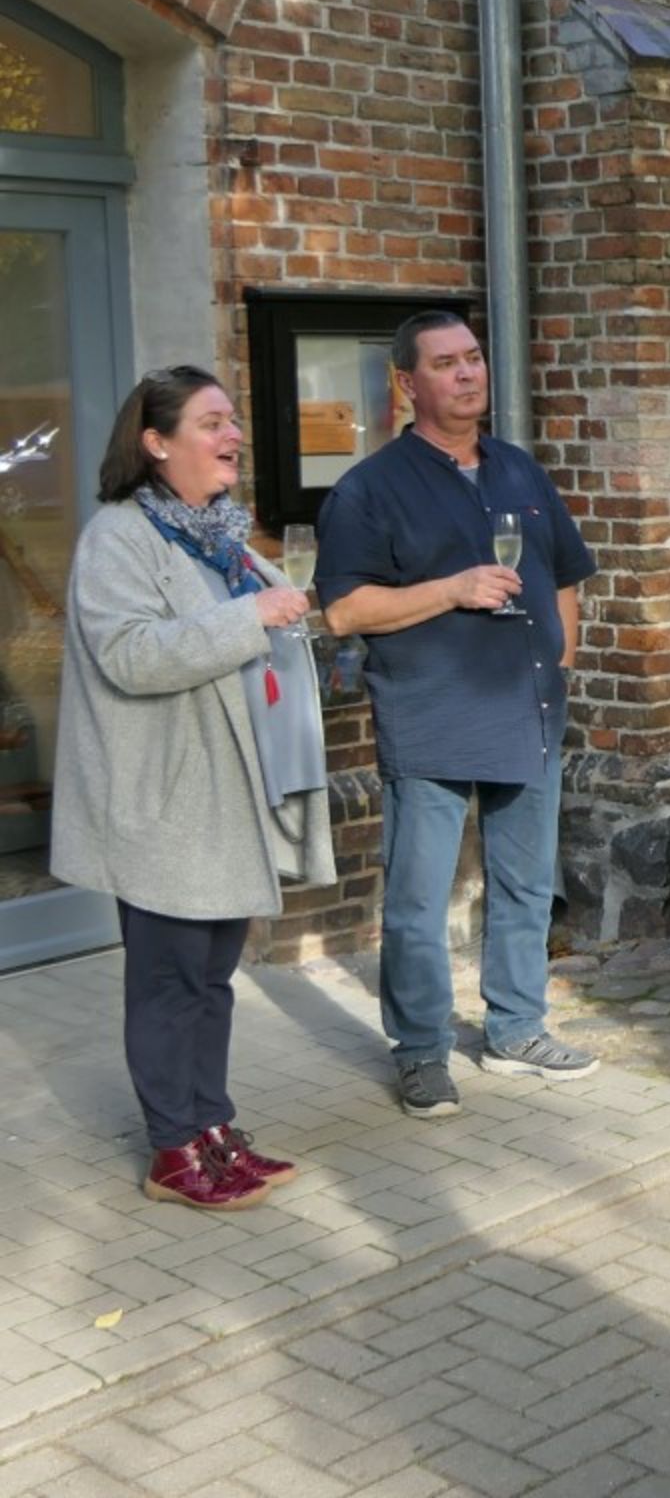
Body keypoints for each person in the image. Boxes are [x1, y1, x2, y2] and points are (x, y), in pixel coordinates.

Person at [51, 367, 335, 1208]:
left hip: (227, 793)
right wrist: (253, 617)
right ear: (155, 441)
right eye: (211, 422)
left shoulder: (219, 538)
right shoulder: (119, 537)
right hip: (164, 800)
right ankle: (172, 1151)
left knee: (211, 978)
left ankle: (211, 1126)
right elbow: (131, 654)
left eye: (232, 420)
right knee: (169, 982)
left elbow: (269, 623)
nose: (232, 435)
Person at [318, 312, 600, 1118]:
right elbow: (344, 610)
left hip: (529, 709)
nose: (469, 373)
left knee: (525, 885)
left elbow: (565, 573)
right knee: (417, 904)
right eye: (446, 363)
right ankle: (420, 1051)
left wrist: (561, 662)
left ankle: (516, 1030)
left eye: (474, 357)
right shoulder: (369, 489)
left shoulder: (519, 470)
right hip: (431, 718)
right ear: (408, 383)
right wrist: (452, 589)